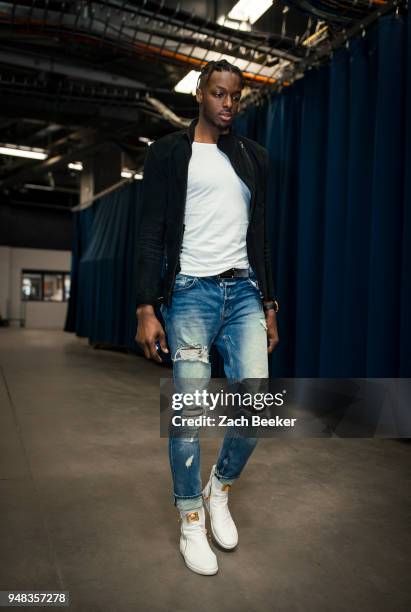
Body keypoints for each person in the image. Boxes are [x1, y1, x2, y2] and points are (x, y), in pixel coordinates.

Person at [135, 59, 279, 575]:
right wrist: (146, 306)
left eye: (234, 97)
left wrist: (269, 303)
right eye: (217, 93)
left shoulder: (252, 157)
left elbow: (259, 237)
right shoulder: (170, 154)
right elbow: (150, 232)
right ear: (200, 93)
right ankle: (190, 519)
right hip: (190, 294)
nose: (226, 104)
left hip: (243, 293)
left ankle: (218, 488)